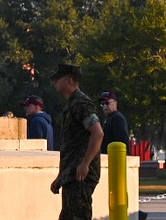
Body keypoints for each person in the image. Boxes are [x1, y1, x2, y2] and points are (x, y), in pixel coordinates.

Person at [50, 63, 104, 220]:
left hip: (80, 176)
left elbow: (98, 133)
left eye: (57, 79)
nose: (55, 83)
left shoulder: (81, 103)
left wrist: (85, 164)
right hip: (71, 175)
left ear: (68, 80)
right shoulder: (72, 104)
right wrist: (61, 176)